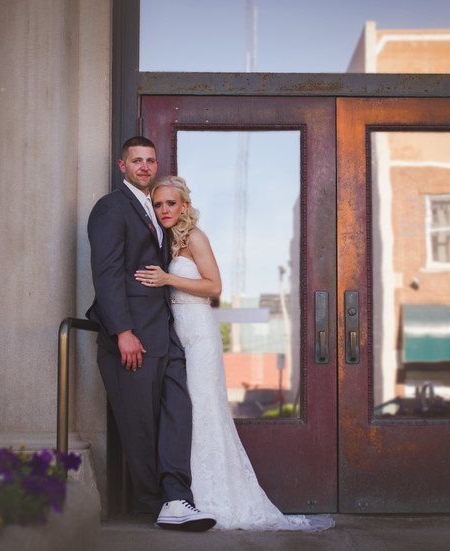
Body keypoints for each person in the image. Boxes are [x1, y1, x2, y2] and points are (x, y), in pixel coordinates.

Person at [134, 175, 334, 531]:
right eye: (159, 203)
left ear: (184, 205)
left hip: (200, 336)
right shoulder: (165, 239)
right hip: (176, 337)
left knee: (203, 411)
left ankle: (213, 499)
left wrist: (168, 279)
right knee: (185, 415)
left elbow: (214, 286)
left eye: (171, 203)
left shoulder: (195, 237)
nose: (165, 209)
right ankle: (185, 496)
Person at [86, 137, 216, 531]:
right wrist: (123, 331)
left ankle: (177, 497)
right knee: (140, 424)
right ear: (122, 165)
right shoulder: (111, 208)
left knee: (178, 413)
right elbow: (107, 273)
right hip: (132, 339)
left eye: (150, 160)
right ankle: (159, 502)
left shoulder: (153, 211)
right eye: (136, 160)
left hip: (165, 334)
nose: (144, 166)